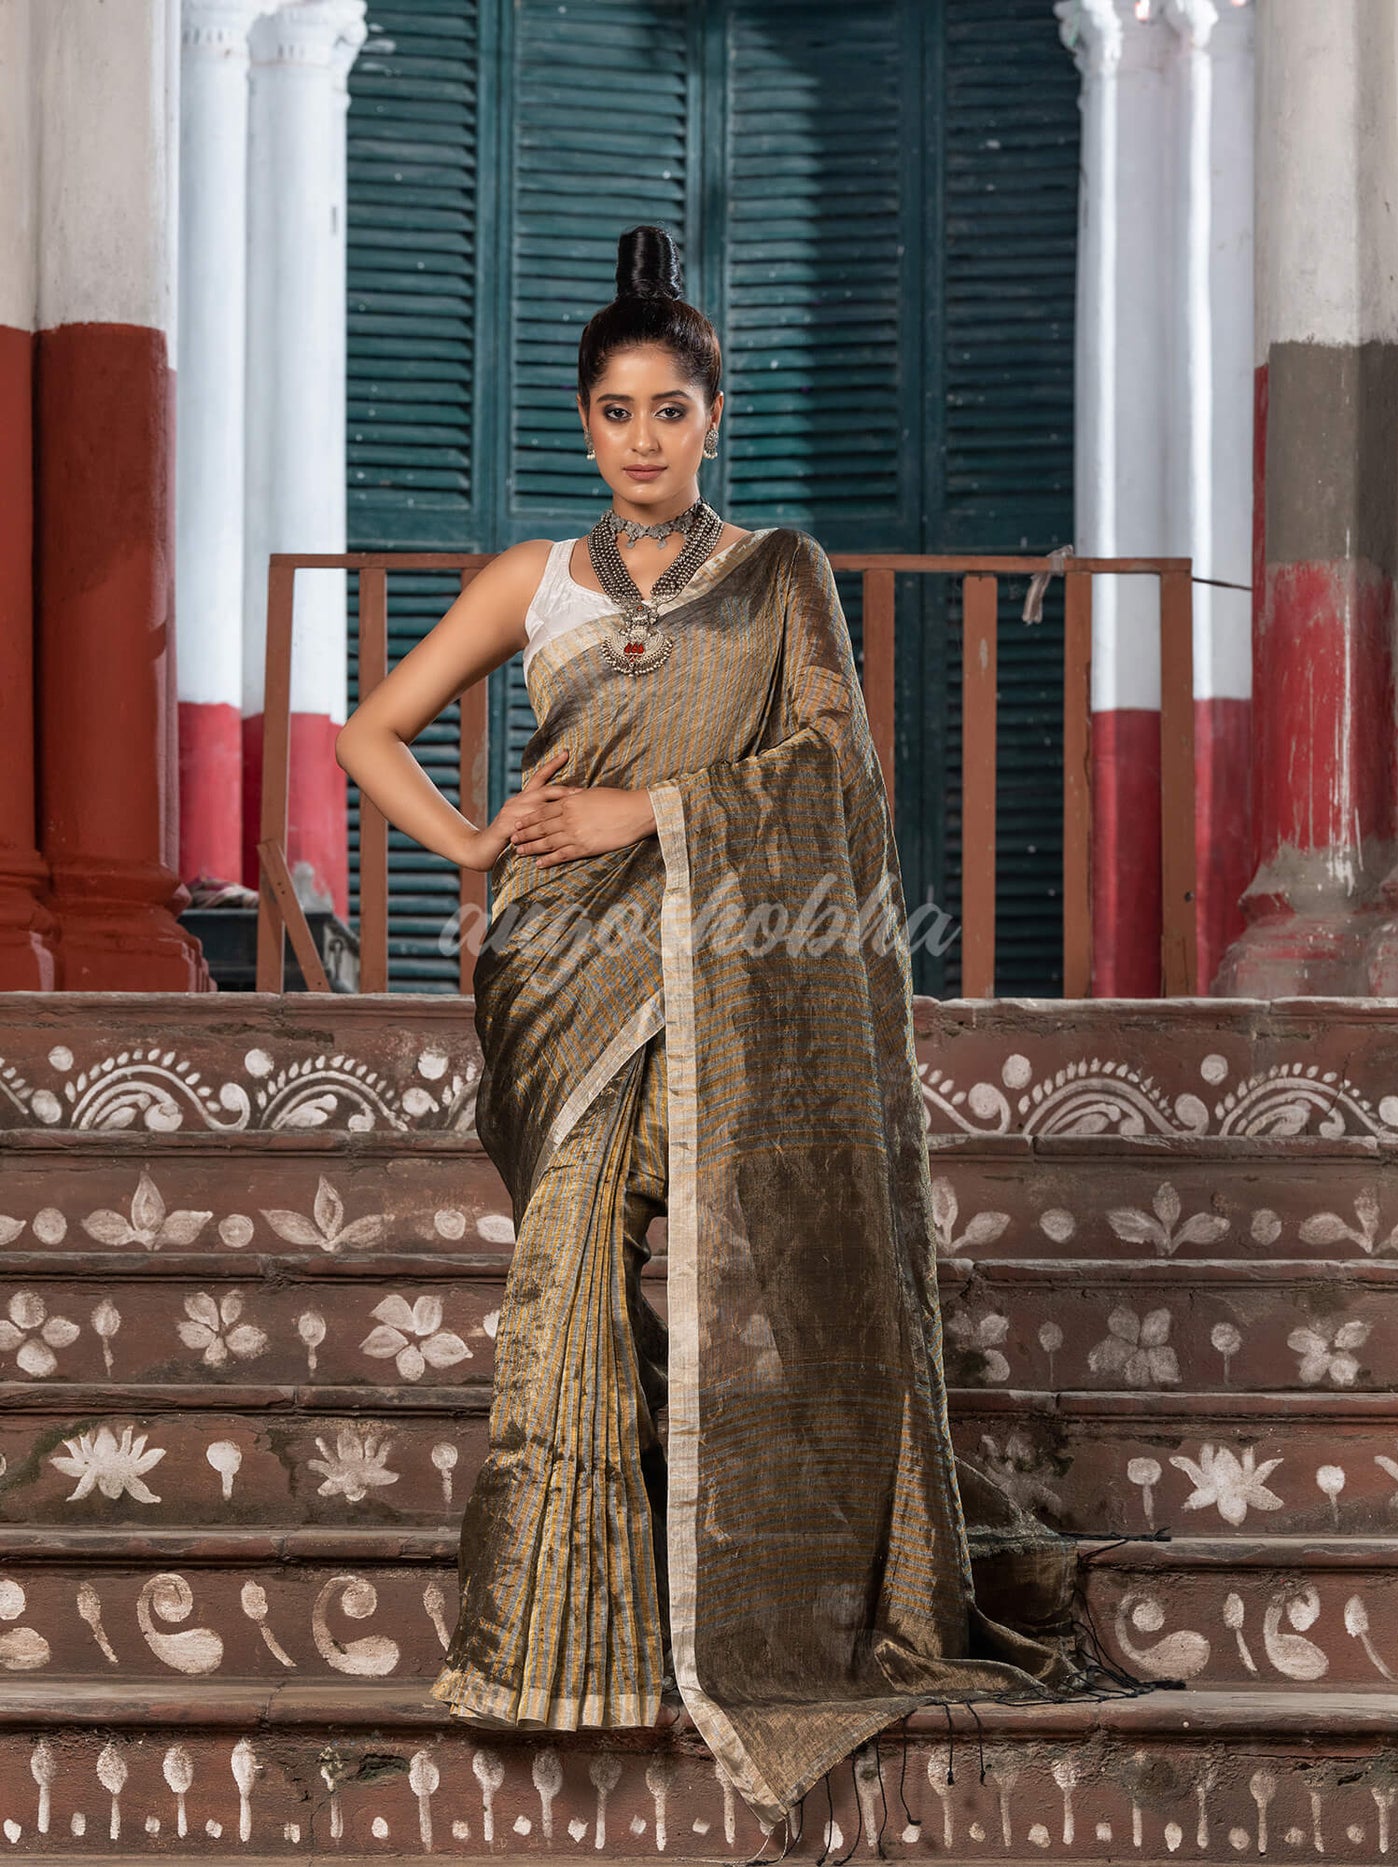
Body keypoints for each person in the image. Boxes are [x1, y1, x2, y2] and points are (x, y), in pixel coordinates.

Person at [334, 224, 1153, 1836]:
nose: (643, 440)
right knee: (568, 1258)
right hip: (557, 968)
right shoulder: (532, 580)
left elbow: (833, 774)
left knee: (714, 1257)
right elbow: (369, 731)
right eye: (615, 412)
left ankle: (687, 1608)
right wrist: (476, 845)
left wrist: (646, 808)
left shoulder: (782, 575)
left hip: (723, 959)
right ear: (583, 424)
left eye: (671, 410)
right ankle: (567, 1641)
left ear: (716, 415)